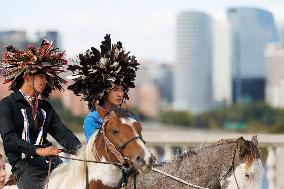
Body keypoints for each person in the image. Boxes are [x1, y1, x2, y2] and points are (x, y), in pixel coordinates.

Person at [0, 39, 82, 189]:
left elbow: (62, 132)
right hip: (25, 166)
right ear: (26, 75)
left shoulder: (45, 107)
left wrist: (82, 150)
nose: (44, 81)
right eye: (41, 77)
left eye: (46, 78)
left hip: (53, 162)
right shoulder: (7, 105)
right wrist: (38, 150)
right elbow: (9, 139)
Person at [68, 34, 139, 142]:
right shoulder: (92, 120)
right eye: (115, 90)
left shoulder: (129, 116)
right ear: (103, 92)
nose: (120, 94)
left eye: (122, 90)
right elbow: (96, 152)